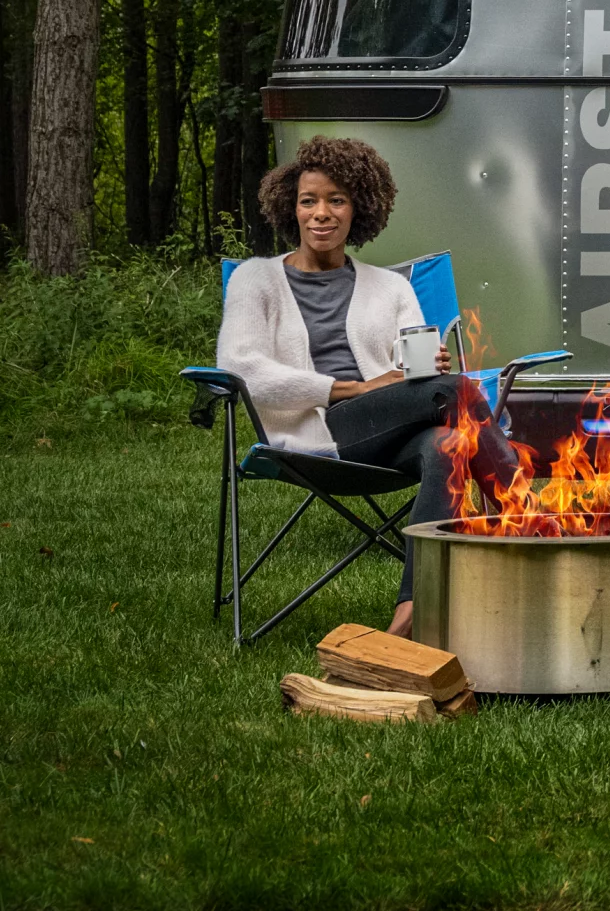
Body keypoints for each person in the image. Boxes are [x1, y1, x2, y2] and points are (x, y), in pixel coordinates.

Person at [213, 135, 522, 638]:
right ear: (290, 207)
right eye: (308, 200)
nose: (321, 214)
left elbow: (410, 370)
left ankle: (412, 611)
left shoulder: (393, 287)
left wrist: (427, 369)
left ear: (361, 208)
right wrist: (351, 389)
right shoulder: (256, 280)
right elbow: (241, 368)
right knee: (455, 392)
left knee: (449, 443)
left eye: (337, 200)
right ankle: (529, 517)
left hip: (390, 432)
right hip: (313, 438)